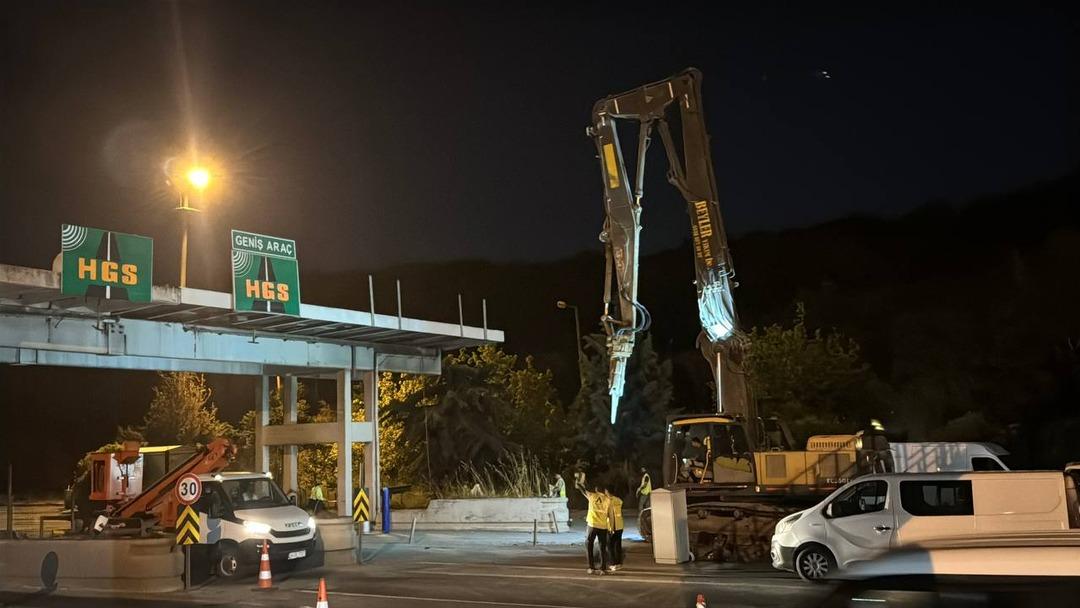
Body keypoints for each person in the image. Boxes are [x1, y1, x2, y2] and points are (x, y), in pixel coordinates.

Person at [579, 484, 610, 575]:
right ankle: (603, 569)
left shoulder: (592, 496)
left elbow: (583, 491)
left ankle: (591, 567)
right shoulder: (607, 500)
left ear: (596, 490)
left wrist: (579, 484)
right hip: (603, 526)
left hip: (592, 525)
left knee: (589, 545)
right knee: (602, 547)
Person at [606, 489, 624, 571]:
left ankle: (613, 564)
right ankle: (619, 563)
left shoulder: (609, 501)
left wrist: (611, 528)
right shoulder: (619, 500)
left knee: (610, 546)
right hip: (620, 526)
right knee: (618, 546)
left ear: (608, 492)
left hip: (612, 527)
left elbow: (611, 516)